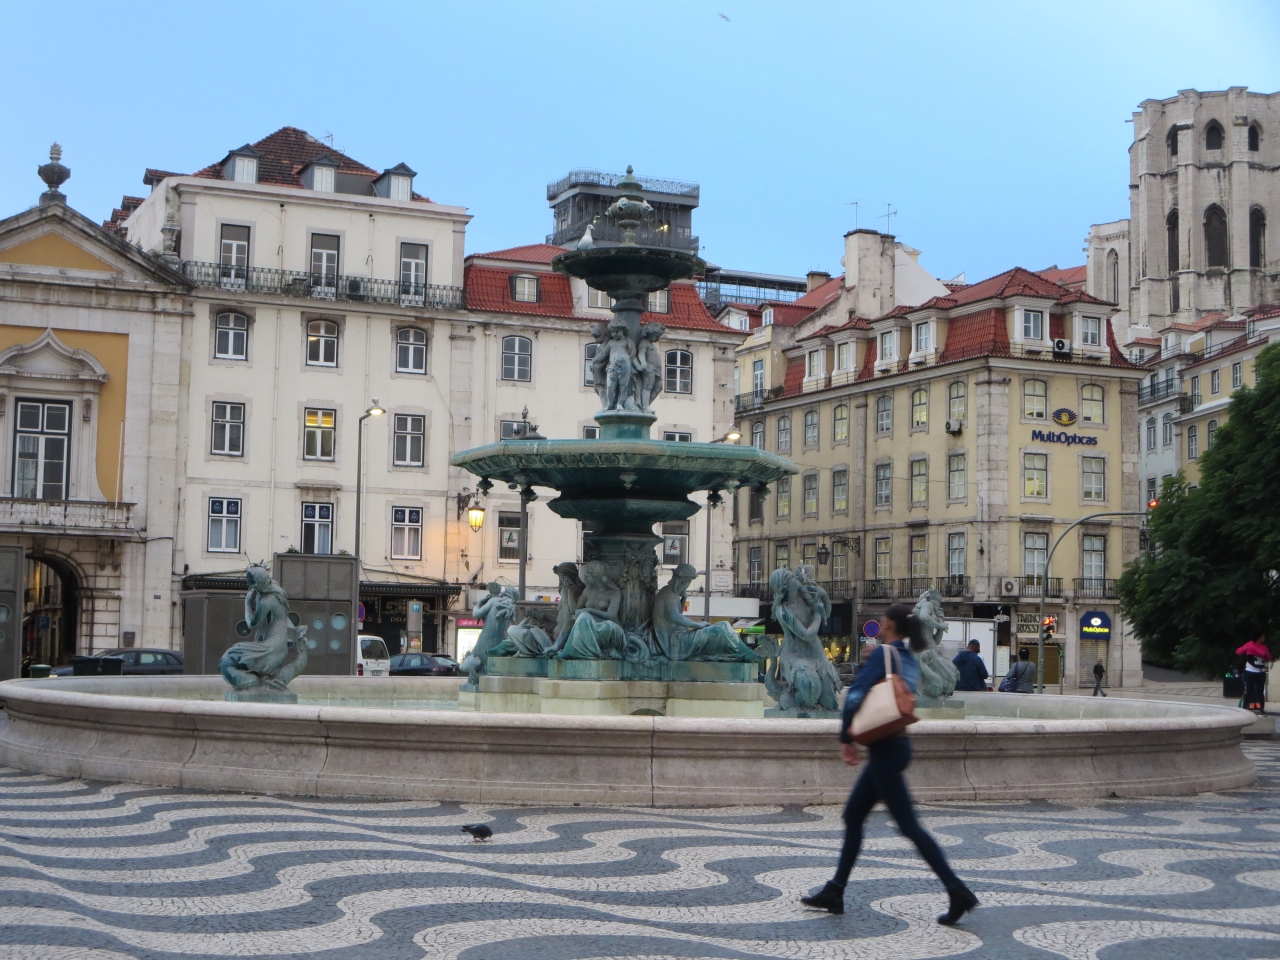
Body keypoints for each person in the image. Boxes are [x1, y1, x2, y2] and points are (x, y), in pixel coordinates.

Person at [800, 603, 978, 925]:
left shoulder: (884, 654)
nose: (880, 622)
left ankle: (957, 891)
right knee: (853, 815)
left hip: (885, 750)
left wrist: (846, 736)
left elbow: (855, 696)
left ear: (890, 624)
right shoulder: (906, 657)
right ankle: (835, 890)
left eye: (884, 619)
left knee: (909, 826)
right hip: (895, 745)